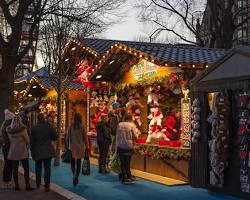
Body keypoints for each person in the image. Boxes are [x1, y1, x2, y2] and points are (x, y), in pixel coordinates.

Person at [30, 113, 58, 192]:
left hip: (37, 151)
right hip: (47, 151)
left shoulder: (34, 128)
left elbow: (31, 141)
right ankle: (47, 186)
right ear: (44, 118)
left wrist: (32, 149)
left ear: (38, 119)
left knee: (38, 168)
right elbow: (55, 136)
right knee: (47, 169)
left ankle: (38, 184)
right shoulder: (49, 126)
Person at [7, 114, 34, 191]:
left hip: (13, 151)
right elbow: (28, 140)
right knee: (26, 169)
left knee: (15, 169)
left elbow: (10, 141)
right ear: (20, 121)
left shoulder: (9, 131)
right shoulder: (23, 130)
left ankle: (17, 186)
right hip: (22, 151)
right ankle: (27, 186)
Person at [116, 113, 139, 185]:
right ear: (130, 119)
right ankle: (128, 177)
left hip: (120, 145)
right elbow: (135, 136)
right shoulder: (132, 125)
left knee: (122, 162)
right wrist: (138, 133)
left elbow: (117, 134)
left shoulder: (119, 124)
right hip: (128, 145)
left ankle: (124, 177)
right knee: (127, 162)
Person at [67, 113, 88, 186]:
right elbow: (85, 138)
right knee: (78, 163)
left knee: (72, 162)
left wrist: (67, 145)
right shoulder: (82, 127)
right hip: (80, 147)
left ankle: (74, 175)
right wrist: (87, 147)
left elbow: (67, 136)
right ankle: (76, 176)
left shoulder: (71, 126)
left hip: (72, 147)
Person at [0, 109, 15, 189]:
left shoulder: (3, 127)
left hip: (5, 148)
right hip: (8, 148)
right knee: (8, 165)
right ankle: (6, 182)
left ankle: (6, 182)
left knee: (8, 165)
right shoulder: (8, 128)